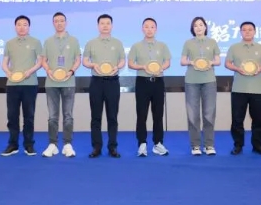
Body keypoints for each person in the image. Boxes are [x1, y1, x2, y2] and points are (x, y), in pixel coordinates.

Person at [225, 21, 261, 156]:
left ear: (255, 32)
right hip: (238, 89)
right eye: (244, 30)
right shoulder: (234, 47)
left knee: (258, 119)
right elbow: (227, 63)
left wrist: (260, 68)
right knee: (237, 120)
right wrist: (237, 68)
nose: (247, 32)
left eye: (250, 29)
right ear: (240, 32)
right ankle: (238, 145)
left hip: (257, 89)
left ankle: (257, 145)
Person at [82, 14, 126, 158]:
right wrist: (93, 65)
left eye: (108, 23)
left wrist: (117, 67)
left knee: (112, 117)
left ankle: (112, 147)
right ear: (98, 26)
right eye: (102, 23)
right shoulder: (91, 43)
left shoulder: (118, 43)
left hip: (112, 82)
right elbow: (85, 61)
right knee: (96, 117)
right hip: (96, 82)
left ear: (111, 26)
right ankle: (96, 147)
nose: (105, 26)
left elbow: (122, 61)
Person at [127, 18, 172, 157]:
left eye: (152, 27)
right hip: (142, 82)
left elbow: (167, 62)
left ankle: (158, 143)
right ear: (142, 29)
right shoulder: (136, 46)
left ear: (156, 29)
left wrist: (161, 68)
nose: (149, 29)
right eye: (146, 27)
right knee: (142, 114)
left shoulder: (162, 46)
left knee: (158, 114)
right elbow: (130, 64)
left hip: (158, 82)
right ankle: (142, 143)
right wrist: (143, 67)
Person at [0, 15, 43, 157]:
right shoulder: (9, 43)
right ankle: (13, 145)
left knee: (29, 116)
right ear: (15, 27)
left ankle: (29, 144)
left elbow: (40, 62)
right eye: (19, 24)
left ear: (29, 27)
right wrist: (8, 72)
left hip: (30, 84)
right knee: (12, 116)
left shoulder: (36, 42)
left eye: (25, 24)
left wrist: (29, 71)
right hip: (12, 84)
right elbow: (4, 62)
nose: (22, 27)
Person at [40, 12, 81, 158]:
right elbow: (43, 60)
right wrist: (48, 70)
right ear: (53, 23)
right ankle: (53, 144)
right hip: (51, 83)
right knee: (52, 116)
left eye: (62, 21)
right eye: (56, 21)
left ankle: (67, 144)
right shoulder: (48, 41)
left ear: (66, 22)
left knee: (68, 115)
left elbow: (78, 60)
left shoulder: (74, 40)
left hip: (68, 82)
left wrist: (71, 71)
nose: (59, 23)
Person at [180, 16, 221, 156]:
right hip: (192, 81)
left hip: (209, 81)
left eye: (201, 25)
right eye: (195, 25)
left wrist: (211, 63)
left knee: (209, 113)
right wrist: (192, 62)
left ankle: (209, 145)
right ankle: (195, 145)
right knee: (193, 115)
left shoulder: (212, 42)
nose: (198, 27)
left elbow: (218, 60)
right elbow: (182, 61)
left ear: (205, 27)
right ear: (193, 28)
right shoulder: (188, 43)